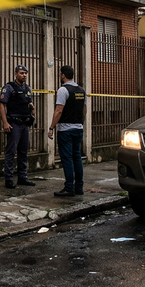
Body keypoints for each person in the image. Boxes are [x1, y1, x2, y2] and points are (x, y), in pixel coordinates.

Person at [48, 65, 86, 197]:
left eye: (60, 74)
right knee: (77, 157)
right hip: (78, 128)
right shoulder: (81, 90)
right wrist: (81, 122)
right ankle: (79, 187)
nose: (59, 76)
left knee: (67, 158)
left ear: (63, 75)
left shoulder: (63, 90)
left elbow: (59, 110)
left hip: (65, 130)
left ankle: (69, 187)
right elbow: (84, 109)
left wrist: (51, 127)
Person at [0, 64, 36, 189]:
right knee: (10, 152)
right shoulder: (9, 87)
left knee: (23, 152)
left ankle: (22, 177)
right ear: (15, 74)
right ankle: (9, 179)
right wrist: (5, 122)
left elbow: (30, 104)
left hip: (25, 124)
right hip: (14, 123)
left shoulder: (27, 88)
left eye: (25, 73)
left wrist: (32, 110)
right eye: (21, 73)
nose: (24, 75)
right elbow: (2, 105)